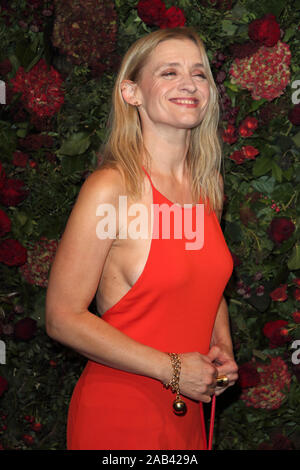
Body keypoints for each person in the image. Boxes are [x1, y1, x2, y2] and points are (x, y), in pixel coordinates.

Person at [45, 27, 238, 451]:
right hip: (121, 414)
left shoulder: (209, 187)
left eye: (199, 74)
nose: (188, 84)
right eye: (169, 72)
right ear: (132, 92)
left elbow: (203, 281)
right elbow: (62, 316)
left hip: (190, 413)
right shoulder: (110, 189)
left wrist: (219, 343)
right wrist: (171, 368)